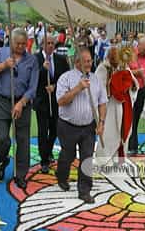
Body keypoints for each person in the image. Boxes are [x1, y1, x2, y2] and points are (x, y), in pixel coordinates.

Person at [0, 28, 39, 189]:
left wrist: (21, 103)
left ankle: (21, 174)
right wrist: (3, 65)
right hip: (1, 101)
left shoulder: (32, 60)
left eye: (24, 44)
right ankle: (2, 161)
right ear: (11, 41)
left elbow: (33, 87)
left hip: (23, 103)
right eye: (18, 44)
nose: (21, 47)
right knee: (1, 138)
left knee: (22, 140)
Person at [56, 48, 107, 203]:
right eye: (86, 61)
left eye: (90, 61)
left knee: (87, 158)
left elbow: (102, 102)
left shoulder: (96, 79)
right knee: (68, 155)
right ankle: (62, 176)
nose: (89, 64)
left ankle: (84, 190)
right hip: (68, 125)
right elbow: (61, 101)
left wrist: (101, 122)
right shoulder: (65, 78)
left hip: (88, 127)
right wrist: (78, 88)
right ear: (77, 62)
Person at [95, 47, 138, 165]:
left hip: (123, 106)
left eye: (117, 57)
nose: (115, 60)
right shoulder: (103, 68)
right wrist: (110, 86)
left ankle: (119, 157)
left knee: (123, 130)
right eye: (113, 57)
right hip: (109, 108)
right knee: (109, 132)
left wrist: (131, 85)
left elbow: (134, 83)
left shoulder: (123, 66)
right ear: (109, 57)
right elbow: (98, 89)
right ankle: (104, 160)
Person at [33, 34, 69, 173]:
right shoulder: (35, 59)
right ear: (42, 44)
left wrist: (54, 86)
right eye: (47, 43)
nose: (50, 46)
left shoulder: (60, 59)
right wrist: (43, 70)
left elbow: (66, 78)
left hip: (56, 100)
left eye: (52, 43)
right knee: (43, 131)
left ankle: (47, 151)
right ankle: (44, 161)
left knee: (54, 129)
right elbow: (32, 79)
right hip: (42, 101)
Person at [129, 36, 145, 155]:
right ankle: (129, 144)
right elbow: (122, 71)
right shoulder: (129, 54)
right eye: (144, 49)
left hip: (141, 90)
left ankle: (133, 144)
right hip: (128, 90)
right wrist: (136, 73)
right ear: (138, 45)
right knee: (128, 117)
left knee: (136, 117)